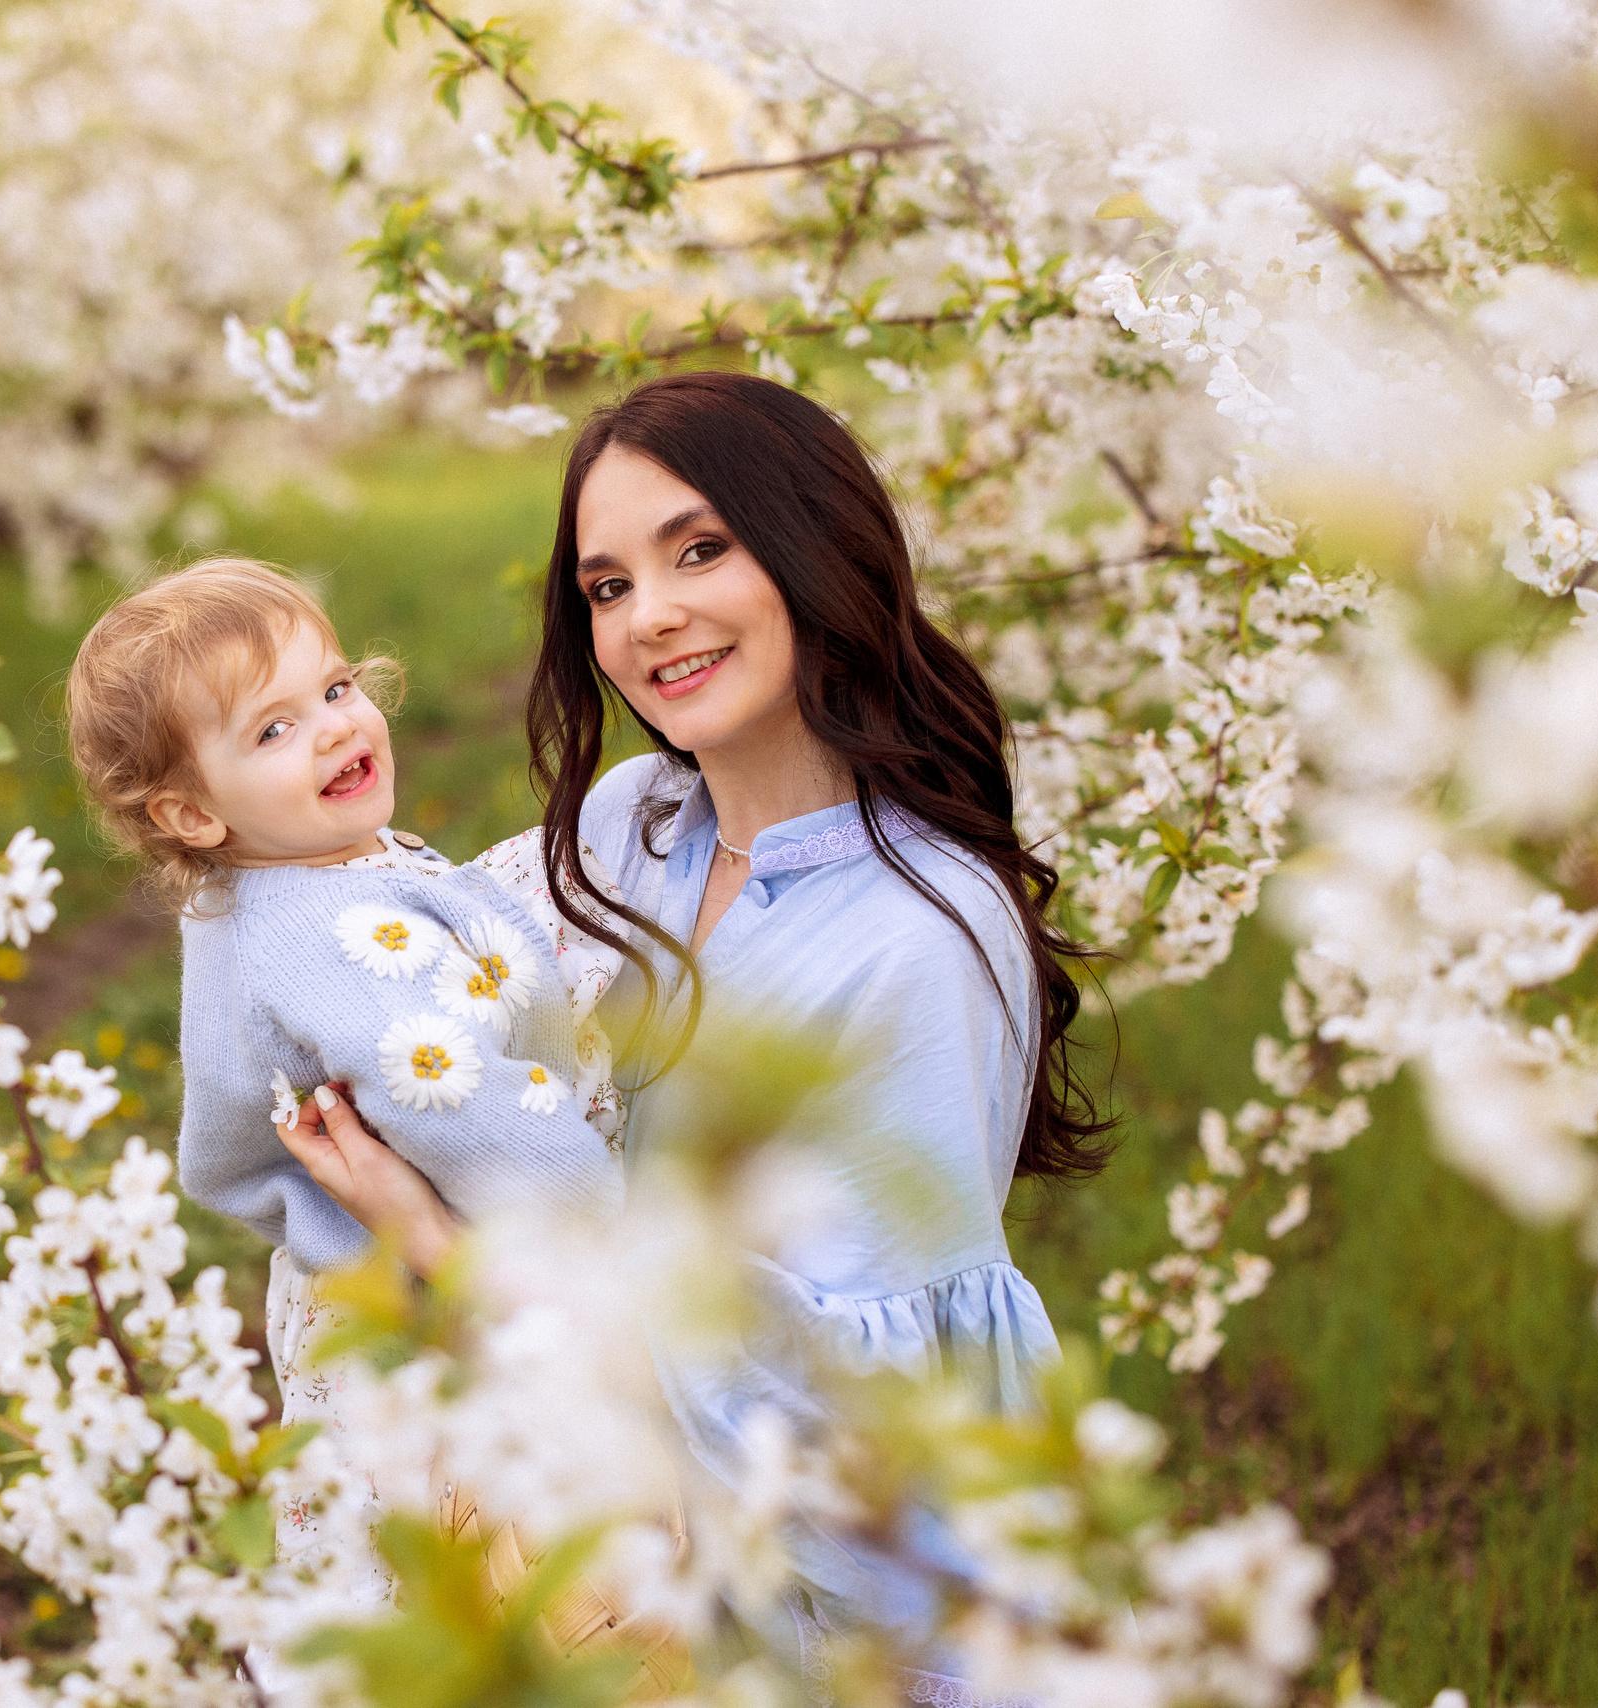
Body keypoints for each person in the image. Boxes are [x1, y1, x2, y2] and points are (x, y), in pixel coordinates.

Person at [288, 371, 1111, 1678]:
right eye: (608, 586)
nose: (649, 617)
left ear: (812, 550)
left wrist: (444, 1249)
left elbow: (824, 1428)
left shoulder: (921, 935)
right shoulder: (633, 827)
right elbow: (419, 974)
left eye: (700, 550)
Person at [60, 556, 631, 1439]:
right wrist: (599, 1226)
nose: (333, 729)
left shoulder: (287, 873)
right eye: (272, 731)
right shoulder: (326, 943)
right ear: (193, 816)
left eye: (333, 689)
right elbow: (457, 1106)